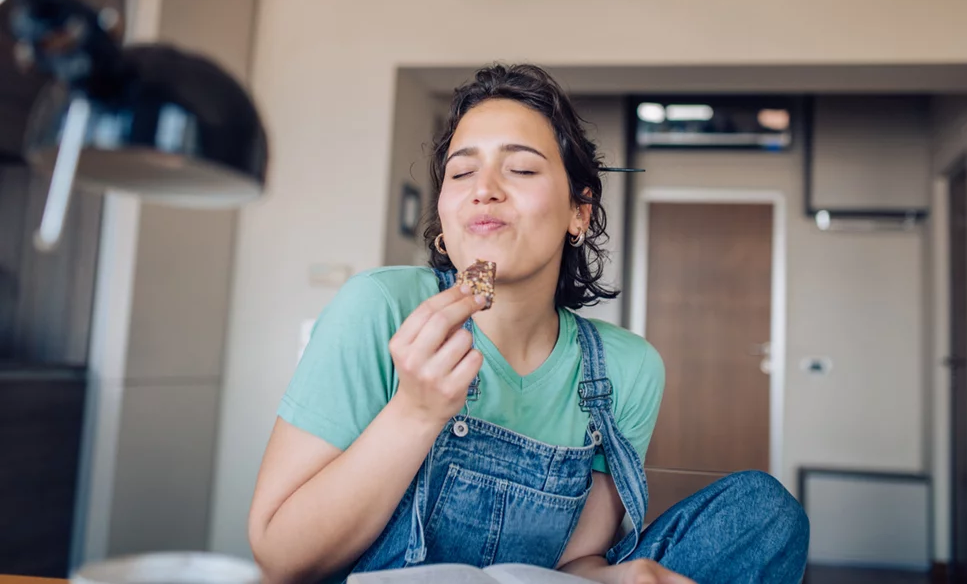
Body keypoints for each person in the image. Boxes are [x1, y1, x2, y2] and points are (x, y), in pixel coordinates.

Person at [248, 64, 809, 584]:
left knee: (762, 513)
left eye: (519, 168)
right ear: (444, 220)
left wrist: (618, 576)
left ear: (577, 212)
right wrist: (413, 413)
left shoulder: (626, 369)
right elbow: (280, 558)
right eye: (461, 171)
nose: (483, 189)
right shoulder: (380, 307)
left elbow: (571, 565)